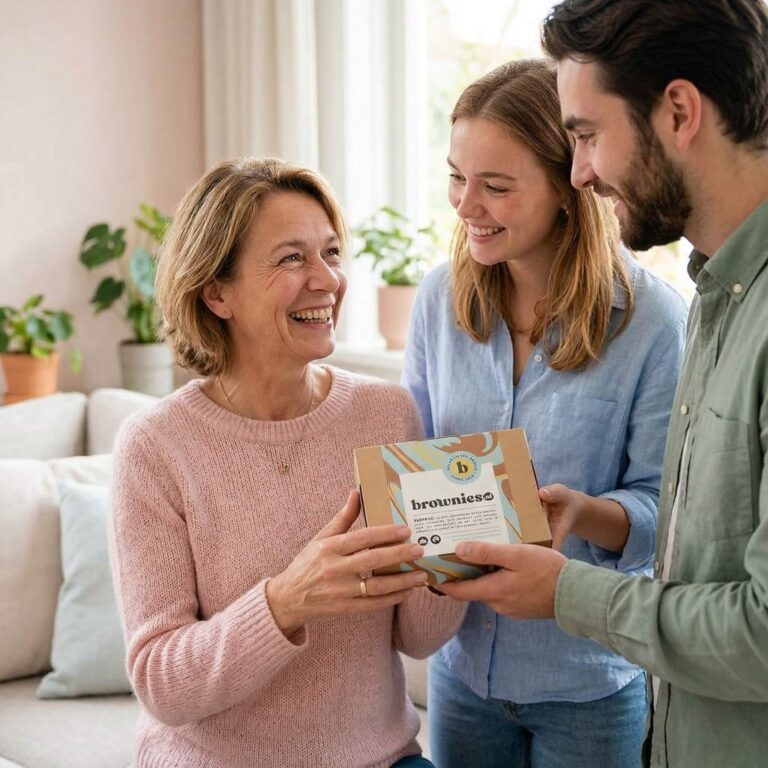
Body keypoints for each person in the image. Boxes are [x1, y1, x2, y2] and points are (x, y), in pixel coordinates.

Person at [438, 2, 768, 766]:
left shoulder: (672, 314)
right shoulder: (721, 299)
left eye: (586, 134)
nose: (581, 170)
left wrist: (567, 591)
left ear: (679, 112)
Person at [109, 157, 465, 768]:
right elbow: (161, 681)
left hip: (379, 758)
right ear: (217, 292)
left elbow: (417, 636)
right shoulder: (154, 446)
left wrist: (455, 551)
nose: (327, 280)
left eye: (331, 253)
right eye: (292, 258)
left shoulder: (386, 415)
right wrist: (285, 602)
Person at [402, 59, 686, 768]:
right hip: (462, 671)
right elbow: (413, 465)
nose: (466, 205)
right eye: (456, 177)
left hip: (589, 684)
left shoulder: (653, 322)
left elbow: (667, 511)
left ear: (569, 188)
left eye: (496, 187)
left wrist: (582, 512)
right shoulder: (439, 302)